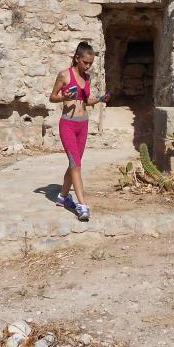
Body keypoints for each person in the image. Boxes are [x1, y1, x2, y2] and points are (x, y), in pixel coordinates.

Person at [48, 41, 110, 221]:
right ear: (77, 58)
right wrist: (63, 97)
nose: (88, 66)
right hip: (67, 124)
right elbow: (52, 97)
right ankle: (82, 205)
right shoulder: (64, 75)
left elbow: (85, 101)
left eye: (90, 63)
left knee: (74, 163)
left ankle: (63, 196)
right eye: (85, 62)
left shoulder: (87, 77)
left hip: (83, 125)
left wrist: (100, 99)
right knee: (76, 164)